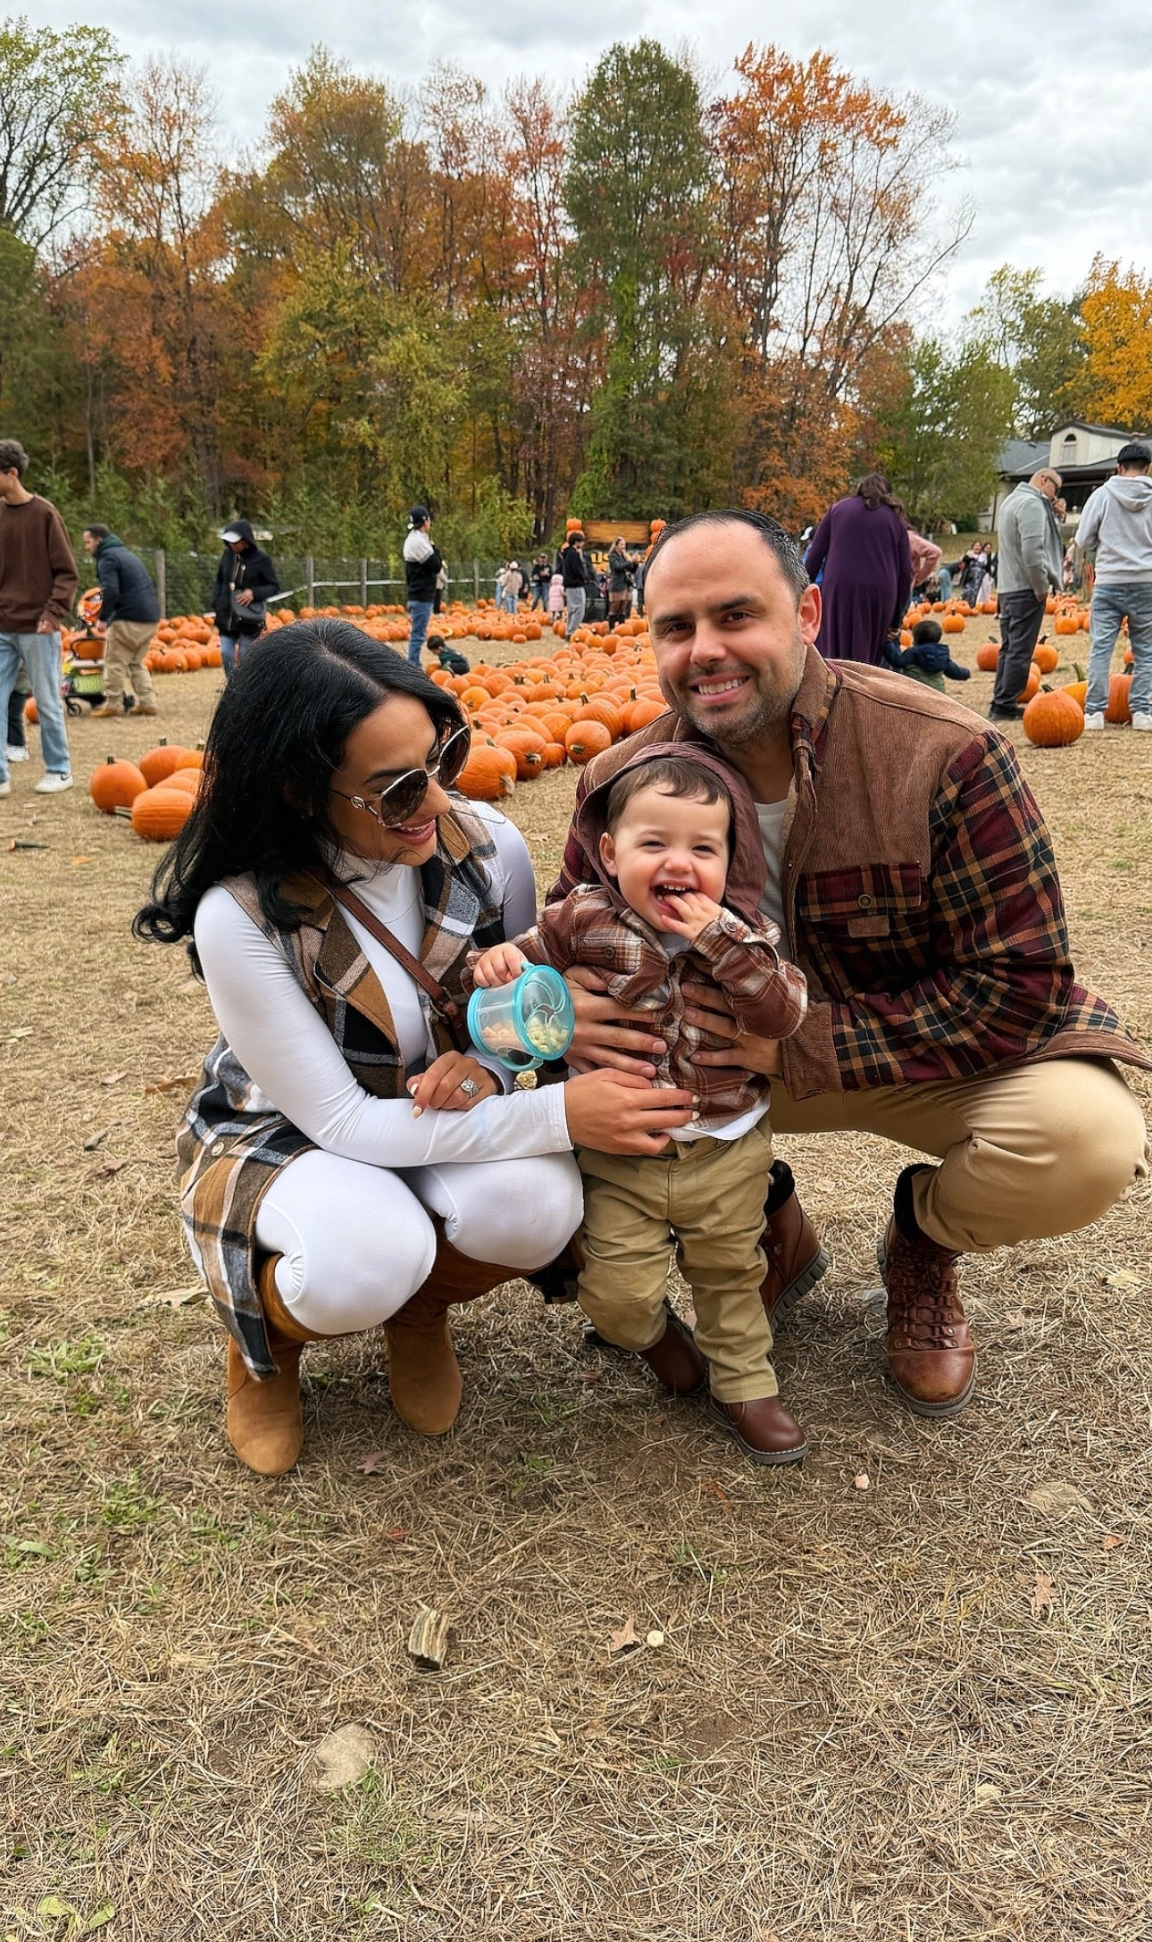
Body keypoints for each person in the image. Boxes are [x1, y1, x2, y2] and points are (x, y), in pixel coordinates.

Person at [551, 509, 1148, 1429]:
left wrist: (801, 1046)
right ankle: (763, 1217)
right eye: (676, 627)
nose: (705, 650)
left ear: (809, 613)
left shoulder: (944, 752)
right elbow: (569, 943)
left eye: (736, 615)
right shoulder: (617, 786)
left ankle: (921, 1241)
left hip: (892, 1053)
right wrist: (569, 1013)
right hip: (707, 1071)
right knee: (550, 1135)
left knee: (1085, 1141)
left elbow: (1018, 987)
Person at [134, 620, 697, 1476]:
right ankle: (267, 1351)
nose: (436, 802)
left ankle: (418, 1313)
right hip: (295, 1129)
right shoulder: (240, 915)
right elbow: (343, 1122)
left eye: (443, 758)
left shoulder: (488, 846)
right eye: (396, 791)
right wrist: (559, 1114)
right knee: (368, 1252)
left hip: (438, 1102)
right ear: (298, 793)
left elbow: (512, 1017)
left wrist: (494, 1067)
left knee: (538, 1208)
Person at [472, 746, 810, 1464]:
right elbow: (527, 966)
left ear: (730, 860)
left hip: (725, 1146)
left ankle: (747, 1385)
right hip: (618, 1152)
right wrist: (503, 964)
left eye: (703, 849)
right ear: (609, 852)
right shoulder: (579, 919)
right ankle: (651, 1336)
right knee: (616, 1294)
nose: (678, 863)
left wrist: (719, 939)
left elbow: (783, 1014)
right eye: (654, 844)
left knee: (730, 1274)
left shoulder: (744, 934)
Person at [0, 436, 77, 799]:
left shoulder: (44, 514)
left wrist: (53, 613)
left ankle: (59, 770)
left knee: (46, 701)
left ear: (12, 473)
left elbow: (67, 573)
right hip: (3, 626)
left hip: (39, 626)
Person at [1077, 440, 1152, 733]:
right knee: (1146, 650)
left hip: (1109, 580)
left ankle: (1094, 712)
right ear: (1148, 468)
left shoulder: (1102, 495)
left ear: (1119, 468)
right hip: (1146, 581)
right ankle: (1142, 712)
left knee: (1101, 648)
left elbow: (1084, 539)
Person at [804, 474, 913, 667]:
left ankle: (837, 682)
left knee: (834, 649)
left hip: (839, 586)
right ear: (887, 493)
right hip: (881, 592)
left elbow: (814, 556)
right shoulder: (895, 520)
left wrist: (802, 591)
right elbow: (906, 574)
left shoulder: (837, 510)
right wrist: (896, 620)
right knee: (870, 657)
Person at [988, 473, 1062, 722]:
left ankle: (1001, 698)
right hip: (1025, 587)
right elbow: (1033, 551)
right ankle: (1005, 703)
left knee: (1008, 647)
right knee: (1021, 649)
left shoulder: (1010, 501)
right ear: (1044, 480)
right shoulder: (1032, 504)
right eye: (1056, 489)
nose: (1055, 496)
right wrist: (1041, 586)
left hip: (1008, 587)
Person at [83, 525, 160, 718]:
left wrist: (103, 619)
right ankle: (148, 702)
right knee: (136, 662)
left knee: (114, 662)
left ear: (98, 540)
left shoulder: (107, 558)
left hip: (129, 617)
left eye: (88, 542)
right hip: (150, 617)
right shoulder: (126, 554)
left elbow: (111, 590)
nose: (86, 546)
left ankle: (114, 704)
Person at [210, 520, 279, 679]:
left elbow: (273, 586)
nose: (232, 545)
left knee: (244, 655)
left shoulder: (261, 559)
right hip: (226, 617)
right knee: (226, 653)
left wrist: (253, 593)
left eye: (236, 542)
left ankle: (243, 684)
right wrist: (217, 603)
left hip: (249, 618)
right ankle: (232, 684)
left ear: (246, 540)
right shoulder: (227, 556)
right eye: (230, 542)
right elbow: (220, 581)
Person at [403, 506, 443, 666]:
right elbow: (436, 565)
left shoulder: (412, 539)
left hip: (416, 593)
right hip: (421, 595)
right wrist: (434, 548)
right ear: (425, 521)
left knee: (417, 633)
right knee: (418, 635)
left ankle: (413, 665)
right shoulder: (419, 542)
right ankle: (413, 666)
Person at [896, 618, 971, 694]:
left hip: (916, 692)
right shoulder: (941, 656)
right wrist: (966, 673)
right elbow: (954, 671)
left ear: (916, 639)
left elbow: (898, 662)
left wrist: (892, 644)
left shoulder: (912, 653)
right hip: (937, 693)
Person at [562, 530, 588, 638]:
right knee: (579, 609)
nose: (582, 544)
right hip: (575, 585)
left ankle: (569, 630)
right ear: (576, 542)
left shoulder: (567, 553)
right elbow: (578, 570)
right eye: (581, 542)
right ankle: (572, 632)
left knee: (572, 609)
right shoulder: (574, 554)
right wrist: (584, 577)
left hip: (569, 585)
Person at [607, 538, 636, 626]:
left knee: (623, 607)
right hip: (617, 584)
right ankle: (611, 627)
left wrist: (635, 563)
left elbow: (631, 569)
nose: (623, 547)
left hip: (625, 584)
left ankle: (621, 626)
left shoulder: (624, 557)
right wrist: (629, 562)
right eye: (621, 545)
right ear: (616, 546)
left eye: (624, 545)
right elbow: (618, 567)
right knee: (615, 606)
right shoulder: (612, 556)